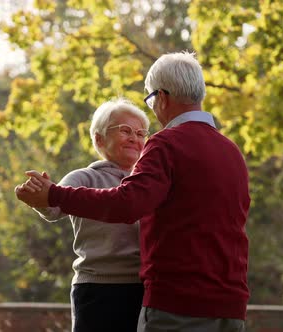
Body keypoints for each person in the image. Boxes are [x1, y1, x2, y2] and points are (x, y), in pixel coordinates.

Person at [16, 51, 251, 332]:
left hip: (179, 303)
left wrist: (53, 194)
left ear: (161, 97)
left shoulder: (167, 144)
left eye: (150, 102)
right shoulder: (231, 151)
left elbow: (127, 204)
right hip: (230, 306)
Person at [15, 98, 151, 332]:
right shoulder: (84, 177)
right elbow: (54, 208)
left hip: (141, 289)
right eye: (125, 131)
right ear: (99, 138)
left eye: (141, 133)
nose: (134, 138)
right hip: (97, 287)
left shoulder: (147, 183)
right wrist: (41, 196)